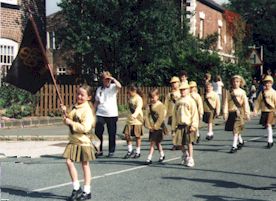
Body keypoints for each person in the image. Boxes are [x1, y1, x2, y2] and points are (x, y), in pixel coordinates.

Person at [62, 84, 95, 201]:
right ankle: (76, 188)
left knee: (85, 165)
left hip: (83, 141)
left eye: (82, 95)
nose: (79, 96)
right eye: (78, 94)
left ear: (89, 97)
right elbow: (68, 120)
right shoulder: (74, 107)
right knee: (68, 162)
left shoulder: (87, 110)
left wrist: (71, 123)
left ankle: (87, 190)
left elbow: (85, 128)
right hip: (73, 140)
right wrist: (65, 113)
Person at [94, 71, 122, 157]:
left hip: (111, 114)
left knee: (112, 133)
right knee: (98, 132)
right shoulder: (99, 89)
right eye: (105, 79)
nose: (107, 81)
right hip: (100, 113)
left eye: (108, 79)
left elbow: (119, 86)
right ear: (102, 80)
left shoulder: (113, 87)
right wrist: (92, 112)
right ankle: (99, 150)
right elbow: (96, 102)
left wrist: (112, 78)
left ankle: (111, 151)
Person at [171, 82, 198, 167]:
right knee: (179, 143)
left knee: (189, 142)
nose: (183, 91)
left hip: (188, 125)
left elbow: (194, 114)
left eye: (184, 89)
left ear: (188, 90)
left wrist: (194, 125)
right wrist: (173, 126)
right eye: (181, 90)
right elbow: (174, 114)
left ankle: (191, 158)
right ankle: (185, 154)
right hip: (180, 125)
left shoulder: (191, 101)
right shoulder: (178, 101)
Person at [223, 75, 250, 153]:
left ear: (240, 82)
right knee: (234, 129)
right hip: (231, 112)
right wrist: (225, 112)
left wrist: (247, 113)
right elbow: (225, 103)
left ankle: (234, 146)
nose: (235, 83)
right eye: (234, 81)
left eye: (237, 82)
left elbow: (245, 103)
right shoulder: (229, 92)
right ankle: (240, 141)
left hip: (239, 112)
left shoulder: (242, 92)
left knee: (235, 128)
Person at [144, 88, 166, 165]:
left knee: (152, 142)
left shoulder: (160, 106)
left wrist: (156, 126)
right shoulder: (149, 106)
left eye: (153, 97)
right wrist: (149, 126)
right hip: (152, 127)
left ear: (157, 96)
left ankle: (149, 157)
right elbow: (146, 116)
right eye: (151, 97)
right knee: (157, 142)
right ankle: (162, 154)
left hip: (158, 127)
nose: (152, 99)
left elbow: (161, 117)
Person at [254, 75, 276, 148]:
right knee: (267, 125)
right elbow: (258, 102)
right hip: (264, 111)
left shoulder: (274, 92)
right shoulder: (262, 93)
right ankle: (271, 140)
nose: (267, 84)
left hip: (271, 111)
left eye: (269, 83)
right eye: (266, 83)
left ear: (271, 83)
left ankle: (270, 141)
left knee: (269, 125)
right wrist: (255, 110)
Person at [123, 84, 144, 159]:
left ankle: (138, 151)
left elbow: (138, 108)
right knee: (127, 135)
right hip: (129, 120)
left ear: (134, 91)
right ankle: (130, 150)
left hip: (137, 120)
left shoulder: (138, 98)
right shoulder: (130, 98)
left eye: (130, 91)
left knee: (137, 136)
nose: (128, 93)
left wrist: (135, 115)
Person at [165, 76, 181, 150]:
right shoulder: (169, 94)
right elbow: (166, 105)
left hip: (180, 114)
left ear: (178, 83)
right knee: (173, 129)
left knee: (180, 128)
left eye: (175, 82)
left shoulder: (181, 92)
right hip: (172, 114)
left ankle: (180, 143)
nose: (174, 84)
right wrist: (164, 114)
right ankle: (174, 143)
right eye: (172, 83)